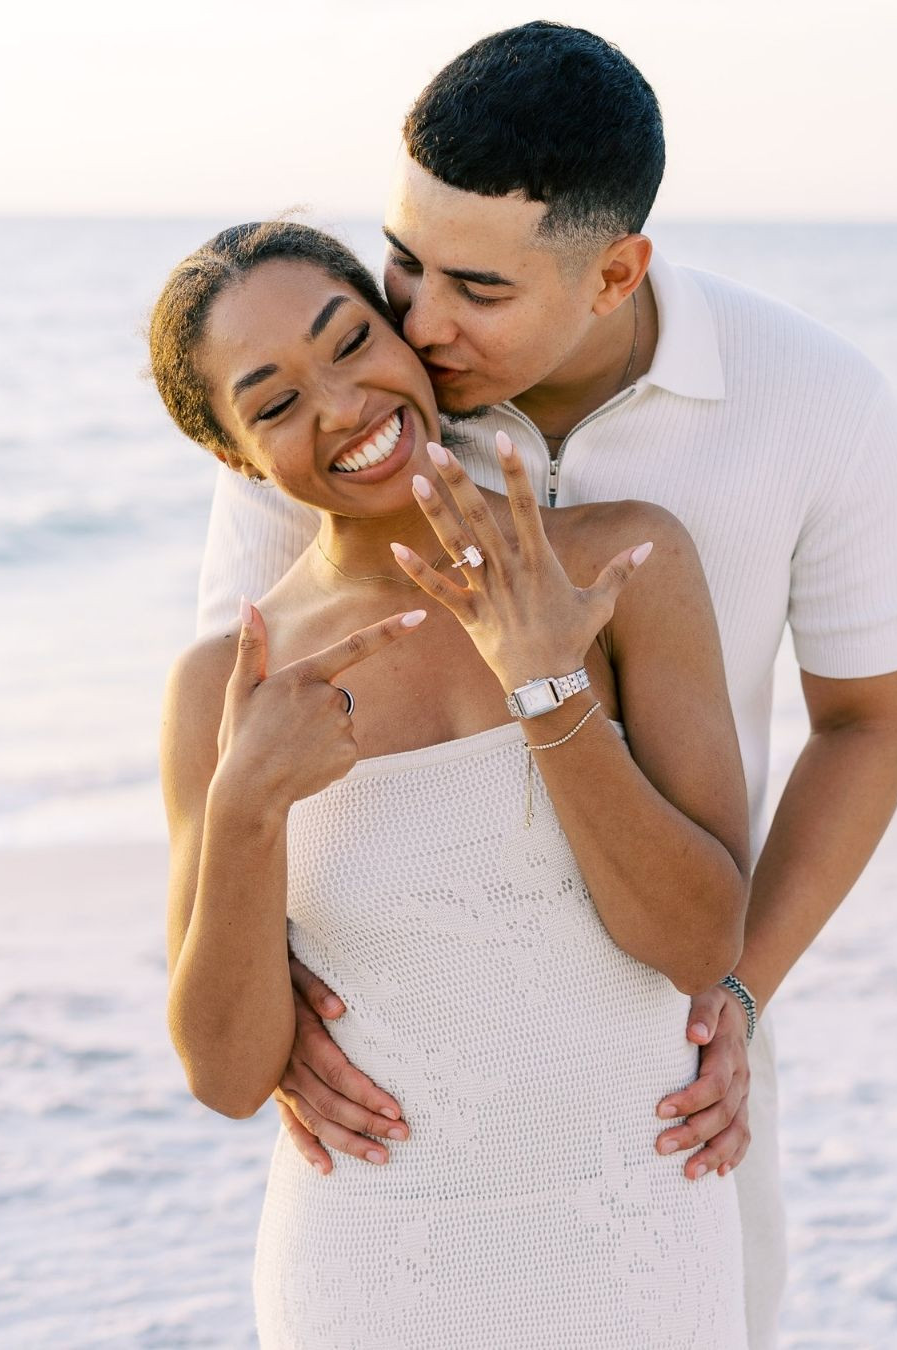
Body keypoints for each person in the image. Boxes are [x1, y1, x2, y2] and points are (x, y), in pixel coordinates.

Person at [194, 23, 897, 1348]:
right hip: (391, 1174)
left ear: (616, 272)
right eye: (402, 258)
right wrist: (276, 1012)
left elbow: (868, 721)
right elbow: (242, 755)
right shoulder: (366, 404)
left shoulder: (816, 399)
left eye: (475, 289)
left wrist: (738, 996)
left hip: (664, 1090)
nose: (417, 320)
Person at [152, 219, 752, 1346]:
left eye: (349, 344)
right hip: (374, 1263)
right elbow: (230, 1077)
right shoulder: (226, 689)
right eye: (274, 404)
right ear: (236, 458)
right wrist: (246, 811)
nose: (340, 406)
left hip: (638, 1247)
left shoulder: (625, 564)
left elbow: (698, 942)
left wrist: (547, 683)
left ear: (406, 337)